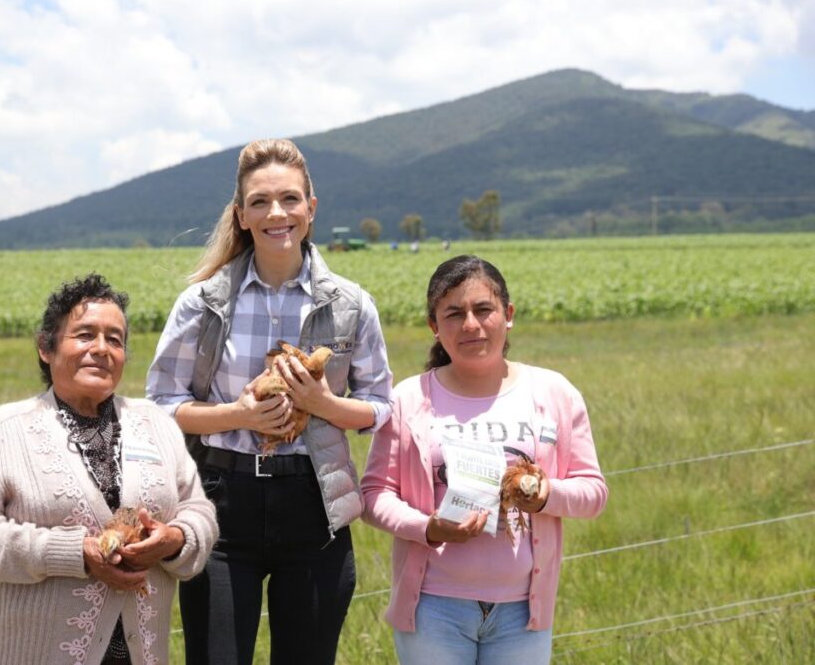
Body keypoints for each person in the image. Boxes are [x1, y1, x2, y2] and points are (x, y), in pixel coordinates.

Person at [146, 138, 393, 665]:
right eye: (259, 202)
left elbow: (378, 407)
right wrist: (239, 415)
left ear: (311, 209)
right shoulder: (203, 301)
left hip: (314, 503)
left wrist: (322, 402)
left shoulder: (351, 305)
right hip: (220, 500)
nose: (275, 213)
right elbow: (161, 404)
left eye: (289, 199)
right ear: (240, 215)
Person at [0, 273, 217, 665]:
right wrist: (74, 553)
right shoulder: (4, 430)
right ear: (46, 347)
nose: (101, 349)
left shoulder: (155, 423)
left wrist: (174, 538)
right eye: (85, 335)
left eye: (115, 339)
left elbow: (199, 510)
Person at [360, 255, 607, 664]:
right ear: (434, 327)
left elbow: (594, 492)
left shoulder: (553, 393)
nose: (470, 325)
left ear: (508, 315)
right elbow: (373, 495)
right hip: (432, 608)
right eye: (454, 314)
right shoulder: (407, 399)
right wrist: (429, 529)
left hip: (522, 612)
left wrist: (545, 495)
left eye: (483, 309)